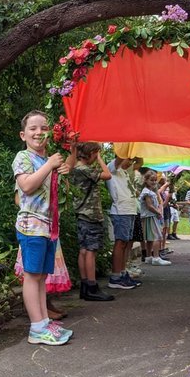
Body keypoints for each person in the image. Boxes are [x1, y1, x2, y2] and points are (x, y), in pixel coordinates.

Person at [13, 110, 74, 346]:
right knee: (32, 276)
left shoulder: (46, 160)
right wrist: (50, 164)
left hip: (48, 227)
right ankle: (36, 328)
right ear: (23, 134)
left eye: (44, 128)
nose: (39, 132)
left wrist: (62, 170)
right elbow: (26, 186)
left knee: (41, 277)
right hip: (32, 226)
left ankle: (44, 322)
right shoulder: (23, 157)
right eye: (33, 128)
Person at [70, 142, 114, 301]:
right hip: (91, 215)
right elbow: (107, 174)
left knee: (83, 250)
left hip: (82, 214)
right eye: (95, 154)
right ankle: (92, 286)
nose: (96, 157)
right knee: (91, 251)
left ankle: (85, 286)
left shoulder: (75, 168)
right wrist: (101, 158)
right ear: (91, 153)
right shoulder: (85, 169)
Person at [106, 156, 141, 290]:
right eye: (129, 160)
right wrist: (126, 144)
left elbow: (140, 162)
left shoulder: (126, 171)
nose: (130, 163)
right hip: (121, 211)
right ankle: (115, 277)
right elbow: (120, 156)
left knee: (126, 243)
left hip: (129, 210)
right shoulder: (113, 168)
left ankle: (122, 273)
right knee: (120, 242)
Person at [139, 170, 171, 266]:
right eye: (151, 180)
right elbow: (149, 205)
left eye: (155, 180)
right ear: (146, 180)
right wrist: (158, 212)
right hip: (151, 216)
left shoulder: (149, 191)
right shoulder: (147, 192)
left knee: (150, 238)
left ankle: (149, 256)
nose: (153, 182)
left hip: (148, 216)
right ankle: (156, 257)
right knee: (157, 236)